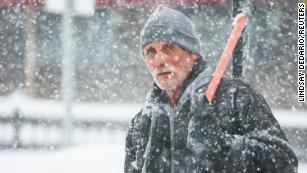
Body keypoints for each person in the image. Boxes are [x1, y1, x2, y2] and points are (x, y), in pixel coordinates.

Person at [124, 5, 298, 173]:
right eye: (151, 51)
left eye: (169, 48)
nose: (159, 60)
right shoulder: (141, 123)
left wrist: (224, 146)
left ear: (193, 54)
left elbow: (285, 163)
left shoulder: (235, 97)